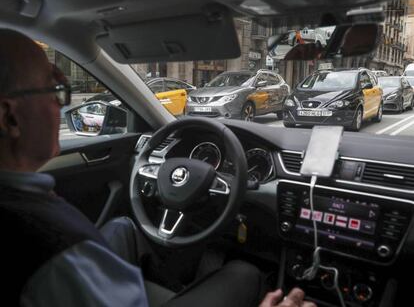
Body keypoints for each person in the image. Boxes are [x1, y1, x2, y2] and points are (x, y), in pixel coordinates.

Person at [0, 29, 316, 307]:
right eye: (54, 90)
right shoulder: (56, 247)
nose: (61, 103)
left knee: (125, 227)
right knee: (244, 272)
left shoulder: (26, 207)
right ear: (9, 118)